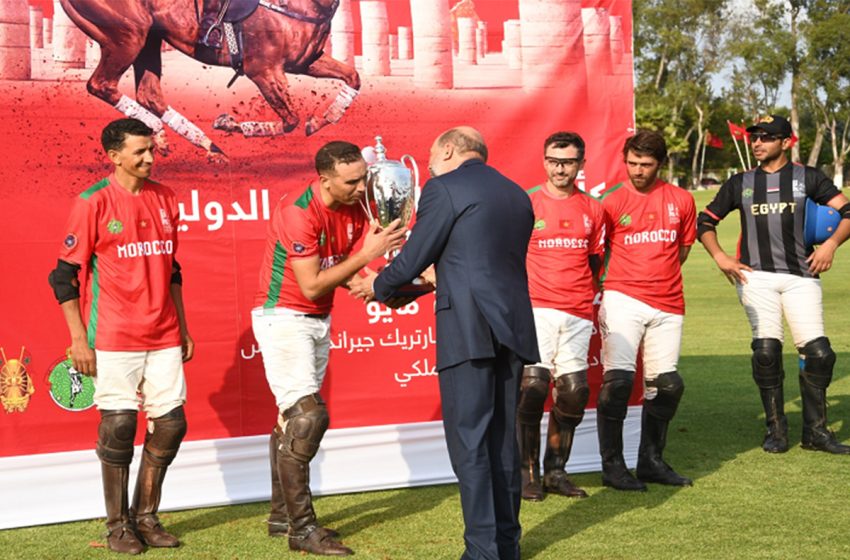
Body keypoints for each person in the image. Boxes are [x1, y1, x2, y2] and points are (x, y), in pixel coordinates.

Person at [351, 127, 539, 560]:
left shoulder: (443, 188)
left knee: (470, 444)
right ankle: (505, 546)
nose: (429, 164)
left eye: (431, 155)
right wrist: (406, 287)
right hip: (511, 328)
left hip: (469, 330)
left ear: (451, 150)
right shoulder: (516, 194)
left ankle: (481, 551)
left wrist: (379, 286)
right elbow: (467, 265)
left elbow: (417, 257)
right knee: (502, 442)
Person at [251, 141, 405, 556]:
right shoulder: (298, 212)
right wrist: (367, 257)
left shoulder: (358, 206)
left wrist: (375, 280)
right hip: (282, 316)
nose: (361, 188)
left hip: (317, 319)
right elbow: (312, 283)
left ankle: (281, 515)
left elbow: (340, 272)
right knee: (306, 418)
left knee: (290, 419)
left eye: (363, 179)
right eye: (351, 181)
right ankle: (301, 529)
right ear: (325, 180)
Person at [48, 118, 193, 554]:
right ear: (114, 156)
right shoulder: (93, 202)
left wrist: (183, 327)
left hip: (164, 332)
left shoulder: (166, 198)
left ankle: (146, 517)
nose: (150, 158)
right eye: (140, 152)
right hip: (112, 334)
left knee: (171, 424)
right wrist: (78, 339)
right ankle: (118, 526)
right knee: (119, 425)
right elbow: (63, 277)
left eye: (151, 150)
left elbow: (173, 270)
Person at [697, 114, 850, 455]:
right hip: (756, 277)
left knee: (819, 354)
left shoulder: (807, 177)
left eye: (766, 137)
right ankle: (776, 430)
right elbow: (705, 221)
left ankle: (816, 433)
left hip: (801, 275)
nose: (757, 143)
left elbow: (848, 211)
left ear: (786, 142)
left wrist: (830, 245)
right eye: (755, 137)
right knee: (766, 352)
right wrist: (721, 257)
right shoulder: (740, 182)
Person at [597, 130, 696, 491]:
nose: (638, 170)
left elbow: (681, 251)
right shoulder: (610, 201)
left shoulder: (682, 200)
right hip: (623, 298)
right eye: (633, 163)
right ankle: (612, 466)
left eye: (646, 164)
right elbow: (598, 253)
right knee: (619, 384)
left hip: (669, 303)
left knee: (667, 386)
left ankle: (651, 461)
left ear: (661, 164)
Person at [517, 131, 605, 501]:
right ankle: (526, 474)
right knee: (532, 387)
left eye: (568, 162)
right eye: (554, 160)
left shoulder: (593, 209)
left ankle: (556, 471)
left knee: (573, 392)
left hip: (577, 310)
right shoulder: (527, 204)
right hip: (535, 307)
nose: (560, 168)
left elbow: (596, 261)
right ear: (544, 161)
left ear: (581, 165)